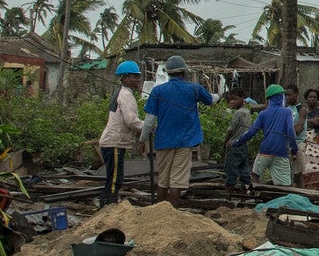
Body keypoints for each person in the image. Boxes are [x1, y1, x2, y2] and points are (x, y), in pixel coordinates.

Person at [146, 55, 215, 206]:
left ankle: (158, 212)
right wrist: (219, 97)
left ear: (168, 73)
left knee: (163, 179)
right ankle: (173, 213)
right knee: (177, 179)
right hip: (185, 140)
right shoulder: (194, 89)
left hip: (163, 140)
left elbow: (149, 120)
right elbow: (210, 100)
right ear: (184, 72)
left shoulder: (158, 91)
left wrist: (142, 139)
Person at [97, 60, 145, 202]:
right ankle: (108, 205)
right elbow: (130, 120)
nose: (138, 80)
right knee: (114, 179)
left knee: (114, 177)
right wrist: (147, 127)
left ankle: (108, 203)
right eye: (134, 77)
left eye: (138, 76)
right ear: (125, 78)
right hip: (115, 143)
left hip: (114, 142)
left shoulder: (122, 92)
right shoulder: (125, 95)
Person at [243, 83, 301, 186]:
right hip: (281, 152)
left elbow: (251, 132)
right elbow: (290, 132)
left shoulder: (263, 114)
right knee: (284, 185)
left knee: (255, 175)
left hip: (265, 151)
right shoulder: (287, 112)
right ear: (281, 97)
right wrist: (294, 150)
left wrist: (237, 142)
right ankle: (280, 199)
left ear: (269, 99)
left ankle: (256, 193)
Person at [220, 89, 255, 190]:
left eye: (235, 99)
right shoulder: (247, 112)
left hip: (234, 145)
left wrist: (225, 143)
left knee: (231, 170)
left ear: (242, 98)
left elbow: (231, 130)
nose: (232, 102)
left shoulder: (238, 113)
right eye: (230, 100)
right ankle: (245, 192)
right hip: (244, 145)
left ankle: (228, 194)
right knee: (244, 170)